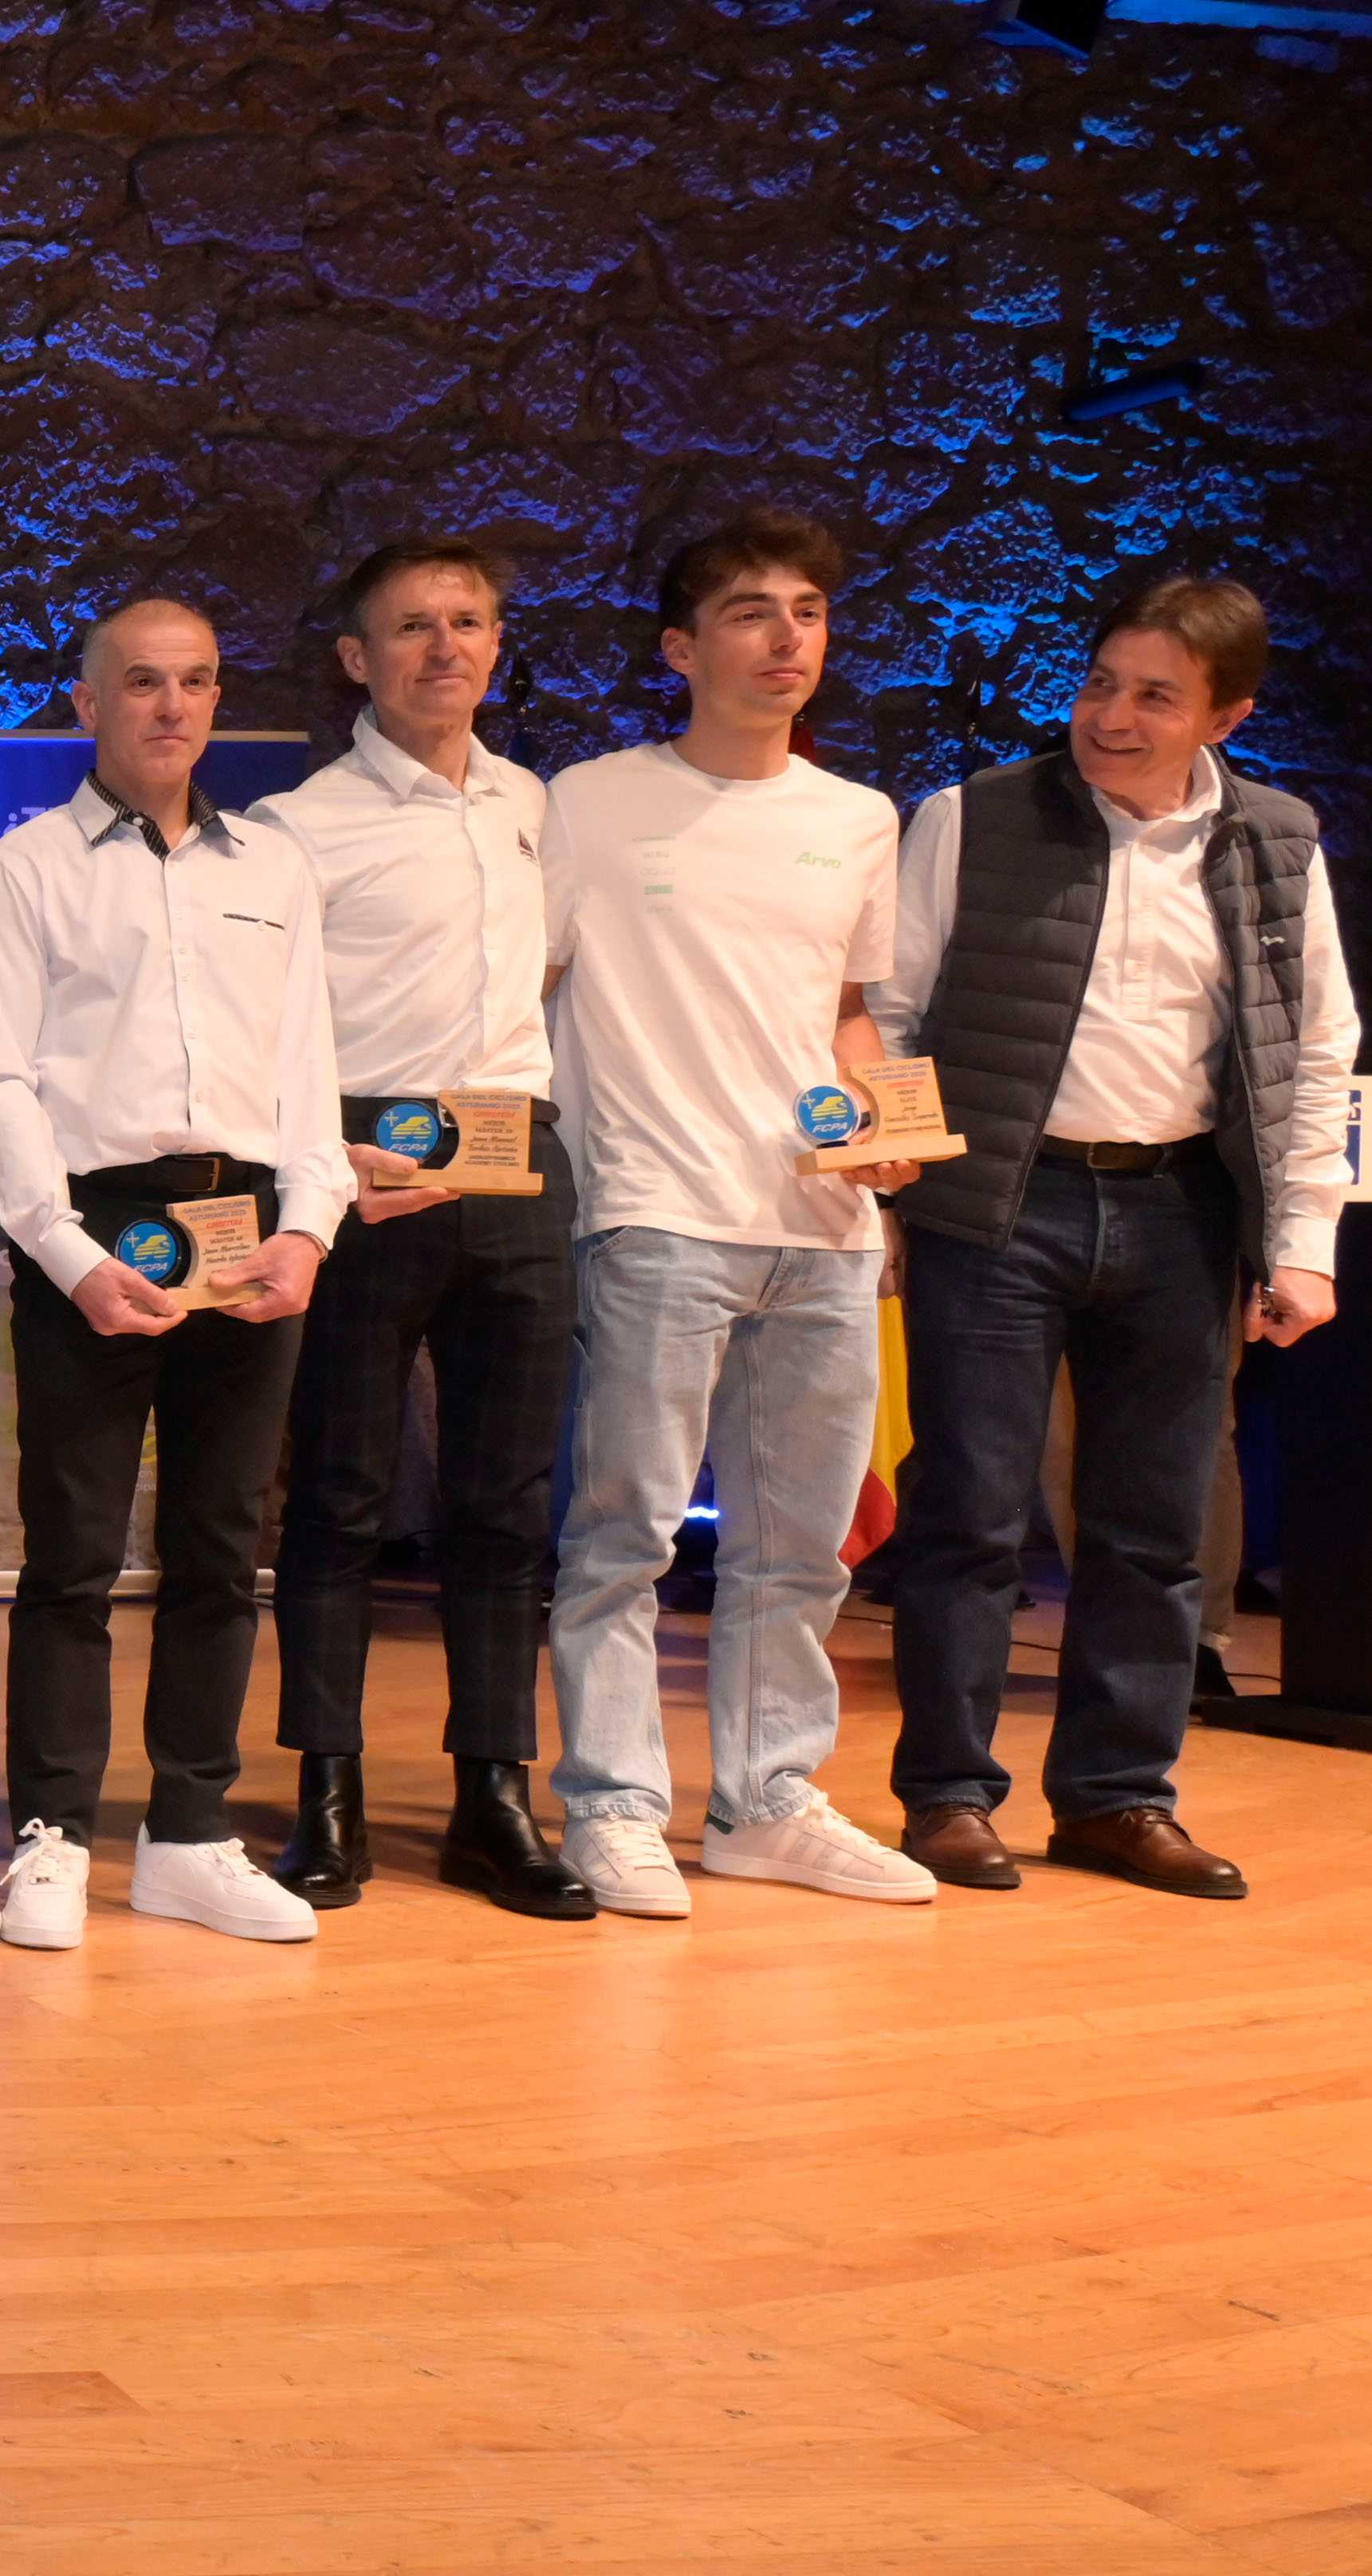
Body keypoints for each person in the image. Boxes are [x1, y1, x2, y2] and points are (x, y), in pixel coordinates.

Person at [874, 572, 1354, 1898]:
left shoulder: (1275, 839)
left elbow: (1315, 1051)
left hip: (1183, 1212)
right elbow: (893, 1013)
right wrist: (894, 1191)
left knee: (1151, 1529)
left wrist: (1300, 1240)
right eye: (1098, 683)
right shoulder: (968, 818)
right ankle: (948, 1796)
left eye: (1153, 696)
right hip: (996, 1206)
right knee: (966, 1512)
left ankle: (1115, 1797)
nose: (1111, 717)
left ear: (1225, 715)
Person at [541, 513, 933, 1917]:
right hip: (653, 1211)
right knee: (623, 1539)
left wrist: (883, 1132)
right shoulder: (585, 803)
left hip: (820, 1231)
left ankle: (766, 1797)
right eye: (754, 612)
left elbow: (846, 1012)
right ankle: (613, 1803)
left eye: (810, 611)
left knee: (796, 1549)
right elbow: (523, 992)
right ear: (678, 647)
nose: (787, 639)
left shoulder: (855, 819)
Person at [0, 600, 346, 1949]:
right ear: (85, 703)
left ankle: (189, 1828)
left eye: (193, 682)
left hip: (248, 1229)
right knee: (67, 1556)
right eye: (140, 682)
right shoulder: (24, 871)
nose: (170, 707)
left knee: (218, 1546)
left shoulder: (275, 868)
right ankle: (54, 1835)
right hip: (92, 1226)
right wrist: (63, 1258)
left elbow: (309, 1074)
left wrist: (307, 1227)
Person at [245, 542, 594, 1922]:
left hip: (515, 1162)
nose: (441, 649)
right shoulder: (294, 825)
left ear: (497, 645)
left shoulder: (532, 804)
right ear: (355, 658)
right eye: (409, 629)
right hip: (361, 1170)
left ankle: (491, 1797)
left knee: (506, 1506)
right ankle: (325, 1794)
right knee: (335, 1496)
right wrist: (327, 1159)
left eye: (466, 625)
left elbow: (551, 975)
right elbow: (266, 1021)